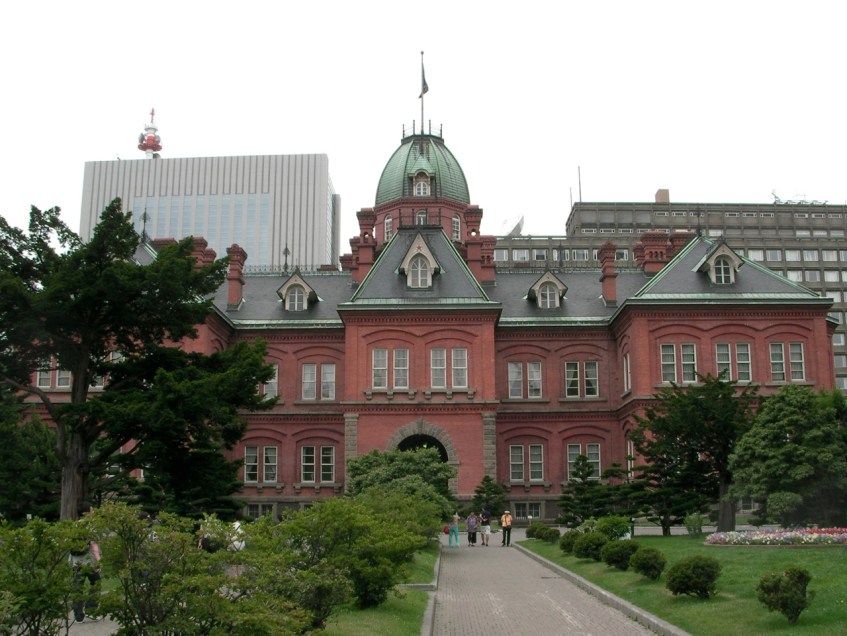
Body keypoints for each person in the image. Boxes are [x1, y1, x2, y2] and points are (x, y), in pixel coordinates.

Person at [69, 501, 101, 623]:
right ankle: (91, 609)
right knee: (96, 582)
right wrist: (98, 561)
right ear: (88, 512)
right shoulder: (90, 525)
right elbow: (94, 545)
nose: (93, 512)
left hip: (76, 562)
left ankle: (78, 615)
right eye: (92, 510)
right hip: (88, 561)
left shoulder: (74, 525)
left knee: (77, 587)